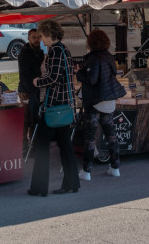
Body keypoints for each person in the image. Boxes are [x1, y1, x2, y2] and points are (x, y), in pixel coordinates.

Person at [27, 20, 80, 196]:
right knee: (65, 146)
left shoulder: (56, 50)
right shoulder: (63, 49)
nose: (41, 39)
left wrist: (37, 82)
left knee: (42, 146)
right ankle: (72, 183)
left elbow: (54, 78)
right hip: (64, 105)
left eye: (42, 35)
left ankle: (39, 188)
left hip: (54, 106)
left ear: (49, 34)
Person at [75, 28, 127, 181]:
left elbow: (91, 80)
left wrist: (79, 73)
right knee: (111, 135)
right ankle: (115, 167)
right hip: (109, 99)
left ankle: (86, 172)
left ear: (91, 42)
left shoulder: (93, 58)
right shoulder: (109, 56)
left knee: (90, 137)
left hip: (95, 100)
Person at [17, 28, 44, 153]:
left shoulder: (40, 52)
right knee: (26, 119)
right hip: (26, 90)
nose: (37, 40)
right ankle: (23, 146)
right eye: (34, 37)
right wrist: (32, 90)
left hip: (36, 90)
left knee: (34, 118)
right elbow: (25, 75)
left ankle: (33, 144)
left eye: (38, 37)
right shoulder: (25, 53)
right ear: (28, 38)